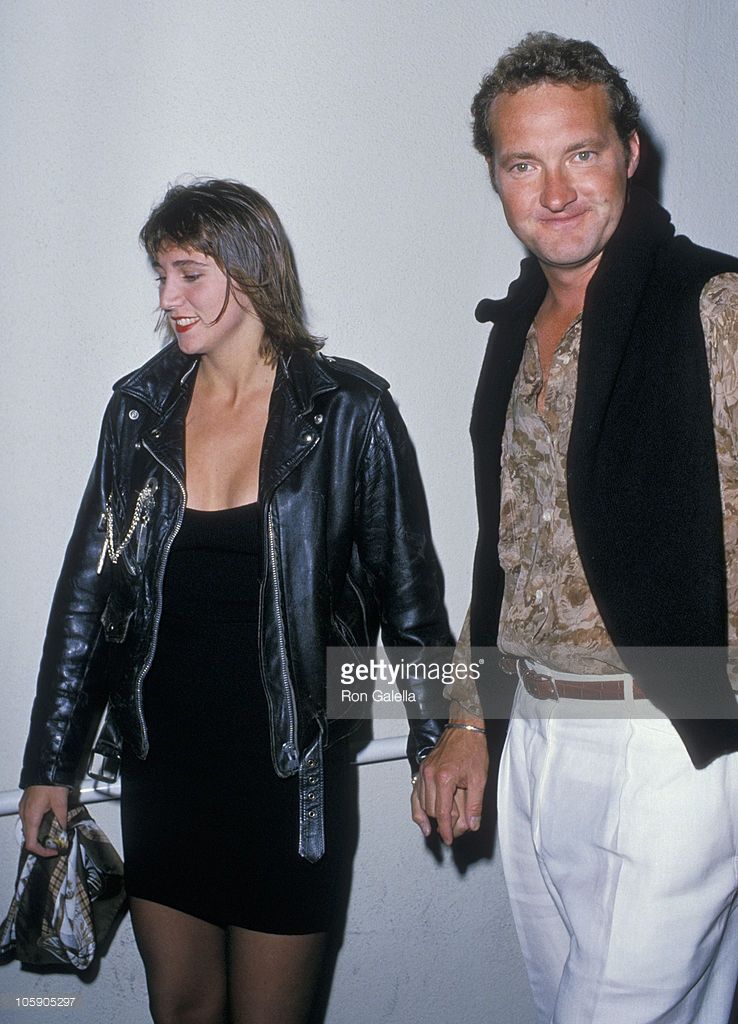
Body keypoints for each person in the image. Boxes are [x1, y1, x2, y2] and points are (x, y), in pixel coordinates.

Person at [18, 179, 451, 1024]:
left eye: (190, 275)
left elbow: (412, 600)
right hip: (163, 766)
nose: (167, 299)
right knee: (181, 1010)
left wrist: (439, 741)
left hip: (290, 776)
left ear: (251, 273)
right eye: (161, 276)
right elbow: (86, 596)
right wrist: (49, 766)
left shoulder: (347, 413)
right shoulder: (138, 413)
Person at [413, 31, 738, 1024]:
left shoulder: (716, 306)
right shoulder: (513, 328)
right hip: (538, 734)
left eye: (581, 153)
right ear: (496, 176)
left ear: (629, 153)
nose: (555, 191)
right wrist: (467, 719)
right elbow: (507, 552)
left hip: (675, 738)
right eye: (524, 163)